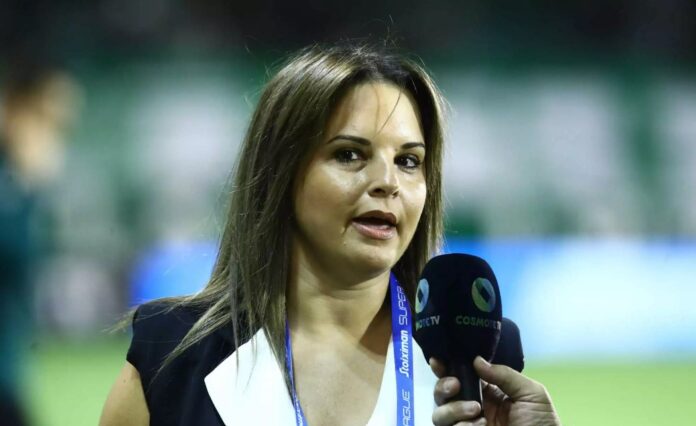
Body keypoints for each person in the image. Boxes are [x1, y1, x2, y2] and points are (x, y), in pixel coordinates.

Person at [100, 44, 561, 426]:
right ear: (280, 173)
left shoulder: (479, 356)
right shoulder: (173, 354)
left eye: (408, 161)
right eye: (349, 155)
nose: (388, 182)